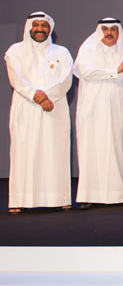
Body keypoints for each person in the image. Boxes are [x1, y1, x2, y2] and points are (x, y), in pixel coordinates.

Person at [4, 12, 73, 214]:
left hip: (55, 108)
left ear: (50, 29)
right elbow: (16, 79)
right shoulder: (15, 51)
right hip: (26, 108)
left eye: (44, 25)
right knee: (24, 153)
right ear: (29, 27)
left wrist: (48, 96)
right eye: (37, 25)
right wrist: (37, 96)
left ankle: (59, 198)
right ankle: (20, 200)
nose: (40, 29)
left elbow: (66, 79)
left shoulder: (62, 52)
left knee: (55, 153)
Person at [73, 18, 123, 209]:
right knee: (91, 150)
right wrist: (116, 70)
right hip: (93, 111)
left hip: (117, 110)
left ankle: (119, 194)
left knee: (117, 151)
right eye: (105, 29)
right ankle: (88, 196)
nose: (109, 33)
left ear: (119, 32)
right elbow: (87, 73)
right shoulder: (87, 49)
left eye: (114, 29)